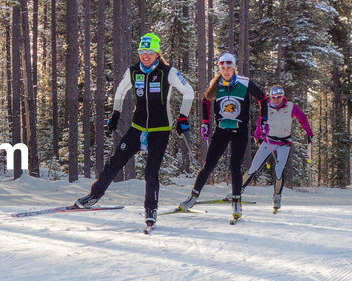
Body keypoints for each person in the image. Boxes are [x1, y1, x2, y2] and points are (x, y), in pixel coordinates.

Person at [74, 33, 195, 228]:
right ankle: (93, 196)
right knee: (114, 162)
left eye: (149, 52)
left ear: (157, 53)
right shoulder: (134, 71)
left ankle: (151, 210)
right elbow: (120, 91)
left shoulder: (168, 72)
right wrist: (115, 114)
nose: (145, 56)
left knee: (150, 172)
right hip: (138, 127)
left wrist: (183, 116)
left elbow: (189, 91)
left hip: (160, 129)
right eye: (141, 52)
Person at [177, 53, 264, 221]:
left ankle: (237, 201)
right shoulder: (215, 84)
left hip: (240, 130)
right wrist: (205, 123)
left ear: (234, 68)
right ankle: (193, 197)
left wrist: (263, 120)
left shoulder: (244, 83)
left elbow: (263, 98)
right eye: (222, 68)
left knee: (234, 166)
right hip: (222, 130)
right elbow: (205, 101)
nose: (225, 71)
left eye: (228, 68)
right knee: (208, 165)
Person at [244, 84, 312, 212]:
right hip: (268, 141)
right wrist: (257, 136)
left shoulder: (290, 107)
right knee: (254, 166)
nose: (276, 99)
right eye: (274, 97)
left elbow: (302, 118)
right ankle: (237, 191)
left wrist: (309, 134)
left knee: (279, 170)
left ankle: (277, 197)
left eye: (279, 97)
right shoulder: (267, 107)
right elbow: (261, 122)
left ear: (283, 96)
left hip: (284, 143)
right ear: (271, 97)